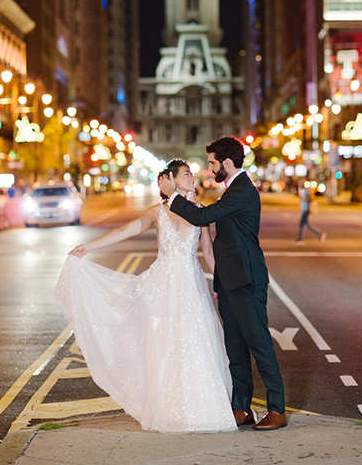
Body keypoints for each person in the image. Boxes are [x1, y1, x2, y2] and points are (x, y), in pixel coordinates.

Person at [55, 159, 237, 434]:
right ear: (170, 180)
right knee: (165, 346)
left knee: (196, 342)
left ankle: (204, 408)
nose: (192, 177)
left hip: (192, 285)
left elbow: (208, 253)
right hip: (163, 286)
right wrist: (88, 247)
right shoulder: (157, 213)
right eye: (186, 173)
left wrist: (221, 284)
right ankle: (170, 409)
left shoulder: (200, 212)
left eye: (191, 174)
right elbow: (125, 230)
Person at [159, 136, 286, 431]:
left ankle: (277, 410)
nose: (210, 168)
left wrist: (173, 196)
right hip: (229, 282)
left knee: (259, 344)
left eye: (213, 162)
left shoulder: (243, 191)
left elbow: (203, 216)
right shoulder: (232, 190)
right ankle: (241, 407)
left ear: (227, 162)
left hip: (247, 280)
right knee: (235, 347)